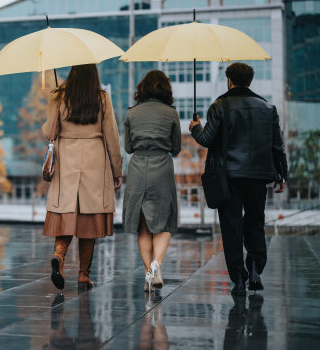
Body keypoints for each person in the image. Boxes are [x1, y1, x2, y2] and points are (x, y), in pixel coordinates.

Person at [190, 62, 288, 296]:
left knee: (231, 226)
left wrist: (195, 128)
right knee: (255, 221)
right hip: (258, 176)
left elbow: (206, 139)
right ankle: (254, 268)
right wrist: (281, 174)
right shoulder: (267, 108)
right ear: (250, 81)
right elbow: (277, 145)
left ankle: (239, 278)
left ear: (229, 80)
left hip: (229, 177)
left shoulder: (219, 105)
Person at [42, 63, 123, 291]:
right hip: (94, 161)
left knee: (65, 213)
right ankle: (83, 275)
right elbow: (112, 136)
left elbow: (49, 132)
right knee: (88, 219)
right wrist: (117, 170)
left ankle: (59, 255)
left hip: (66, 159)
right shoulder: (102, 98)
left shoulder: (58, 96)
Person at [122, 70, 181, 292]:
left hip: (138, 168)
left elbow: (128, 148)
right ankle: (156, 267)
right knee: (164, 223)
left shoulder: (132, 113)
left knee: (143, 226)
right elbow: (176, 148)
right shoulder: (171, 113)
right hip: (162, 169)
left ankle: (150, 271)